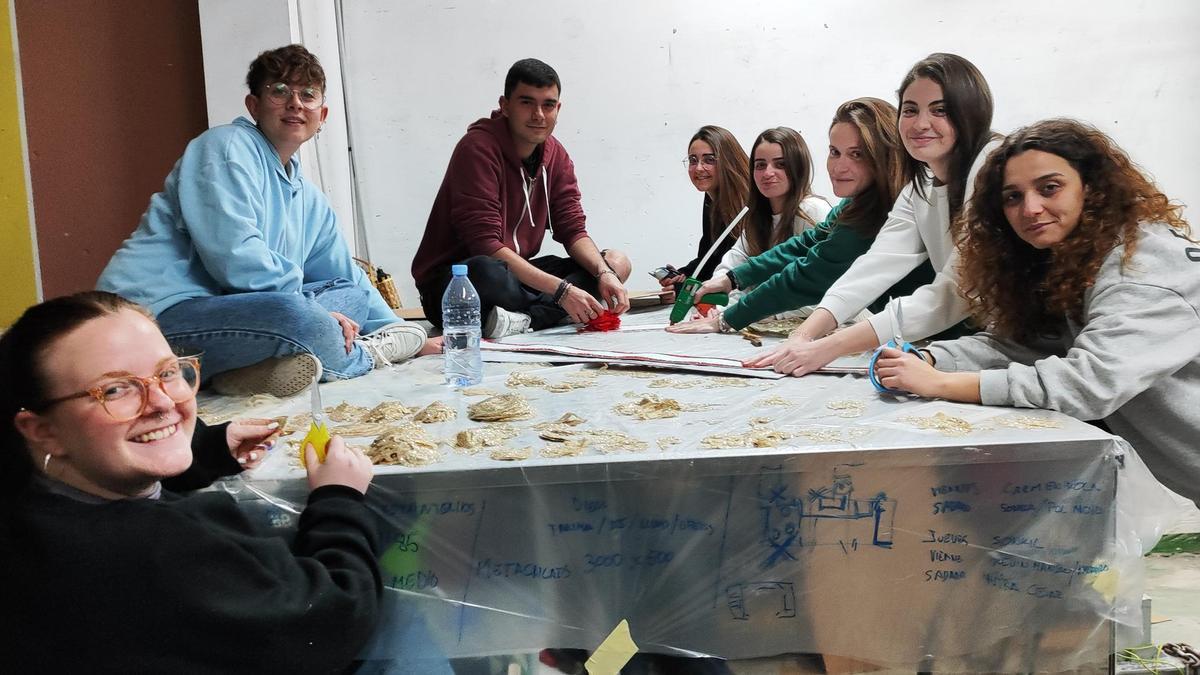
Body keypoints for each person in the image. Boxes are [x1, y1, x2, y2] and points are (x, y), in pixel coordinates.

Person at [0, 291, 383, 671]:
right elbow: (334, 618)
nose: (164, 402)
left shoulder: (29, 497)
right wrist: (339, 499)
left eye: (167, 372)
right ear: (41, 430)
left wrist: (208, 447)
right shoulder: (162, 552)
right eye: (114, 390)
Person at [874, 119, 1200, 507]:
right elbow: (1020, 343)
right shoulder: (1072, 259)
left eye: (1049, 188)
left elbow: (1088, 384)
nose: (1030, 208)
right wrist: (930, 358)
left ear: (1092, 187)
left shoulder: (1144, 270)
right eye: (1012, 197)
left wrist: (941, 384)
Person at [97, 44, 438, 399]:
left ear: (322, 115)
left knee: (348, 294)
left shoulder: (308, 198)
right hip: (154, 319)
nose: (295, 103)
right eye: (279, 91)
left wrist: (405, 334)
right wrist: (316, 316)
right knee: (299, 315)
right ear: (253, 105)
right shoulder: (225, 147)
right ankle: (362, 356)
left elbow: (345, 277)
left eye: (308, 95)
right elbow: (235, 260)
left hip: (238, 317)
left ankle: (243, 373)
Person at [745, 53, 1000, 374]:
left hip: (1034, 344)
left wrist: (827, 345)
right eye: (910, 110)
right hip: (979, 341)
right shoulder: (921, 183)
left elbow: (953, 292)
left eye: (940, 110)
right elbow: (875, 265)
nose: (921, 123)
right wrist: (803, 335)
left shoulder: (990, 169)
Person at [666, 98, 932, 334]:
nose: (839, 166)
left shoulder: (875, 209)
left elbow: (810, 273)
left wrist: (730, 318)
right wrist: (731, 279)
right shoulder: (854, 203)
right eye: (834, 152)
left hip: (929, 336)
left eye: (857, 154)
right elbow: (802, 246)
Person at [411, 58, 632, 338]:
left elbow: (572, 228)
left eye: (548, 105)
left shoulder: (556, 156)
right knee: (487, 272)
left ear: (558, 109)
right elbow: (486, 245)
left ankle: (522, 320)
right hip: (455, 282)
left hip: (514, 274)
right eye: (527, 103)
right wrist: (563, 291)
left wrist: (604, 274)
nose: (538, 115)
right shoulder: (477, 149)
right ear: (505, 105)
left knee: (616, 262)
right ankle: (548, 314)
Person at [711, 127, 832, 285]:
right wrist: (715, 302)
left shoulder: (812, 210)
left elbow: (822, 284)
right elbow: (731, 264)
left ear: (798, 167)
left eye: (780, 164)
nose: (767, 173)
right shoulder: (757, 218)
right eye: (760, 165)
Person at [655, 125, 751, 289]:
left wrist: (685, 287)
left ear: (729, 162)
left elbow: (736, 266)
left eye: (709, 160)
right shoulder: (712, 197)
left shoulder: (747, 203)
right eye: (693, 160)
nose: (698, 168)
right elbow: (711, 257)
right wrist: (683, 275)